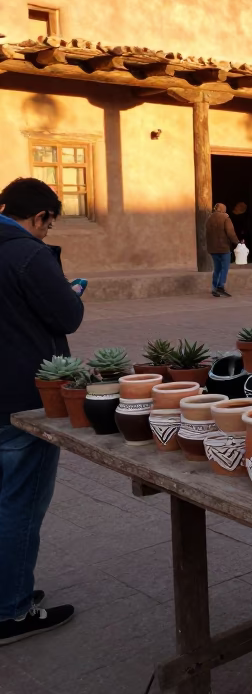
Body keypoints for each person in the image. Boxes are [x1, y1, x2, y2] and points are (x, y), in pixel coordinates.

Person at [0, 178, 84, 645]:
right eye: (48, 225)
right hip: (21, 398)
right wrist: (70, 293)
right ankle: (11, 611)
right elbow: (67, 316)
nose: (47, 233)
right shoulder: (28, 254)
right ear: (40, 218)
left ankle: (7, 591)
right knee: (20, 503)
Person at [205, 202, 239, 297]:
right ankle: (220, 286)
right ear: (223, 209)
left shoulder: (209, 219)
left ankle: (214, 288)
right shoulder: (225, 218)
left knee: (217, 268)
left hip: (212, 249)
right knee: (224, 268)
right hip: (223, 248)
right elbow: (231, 233)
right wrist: (237, 243)